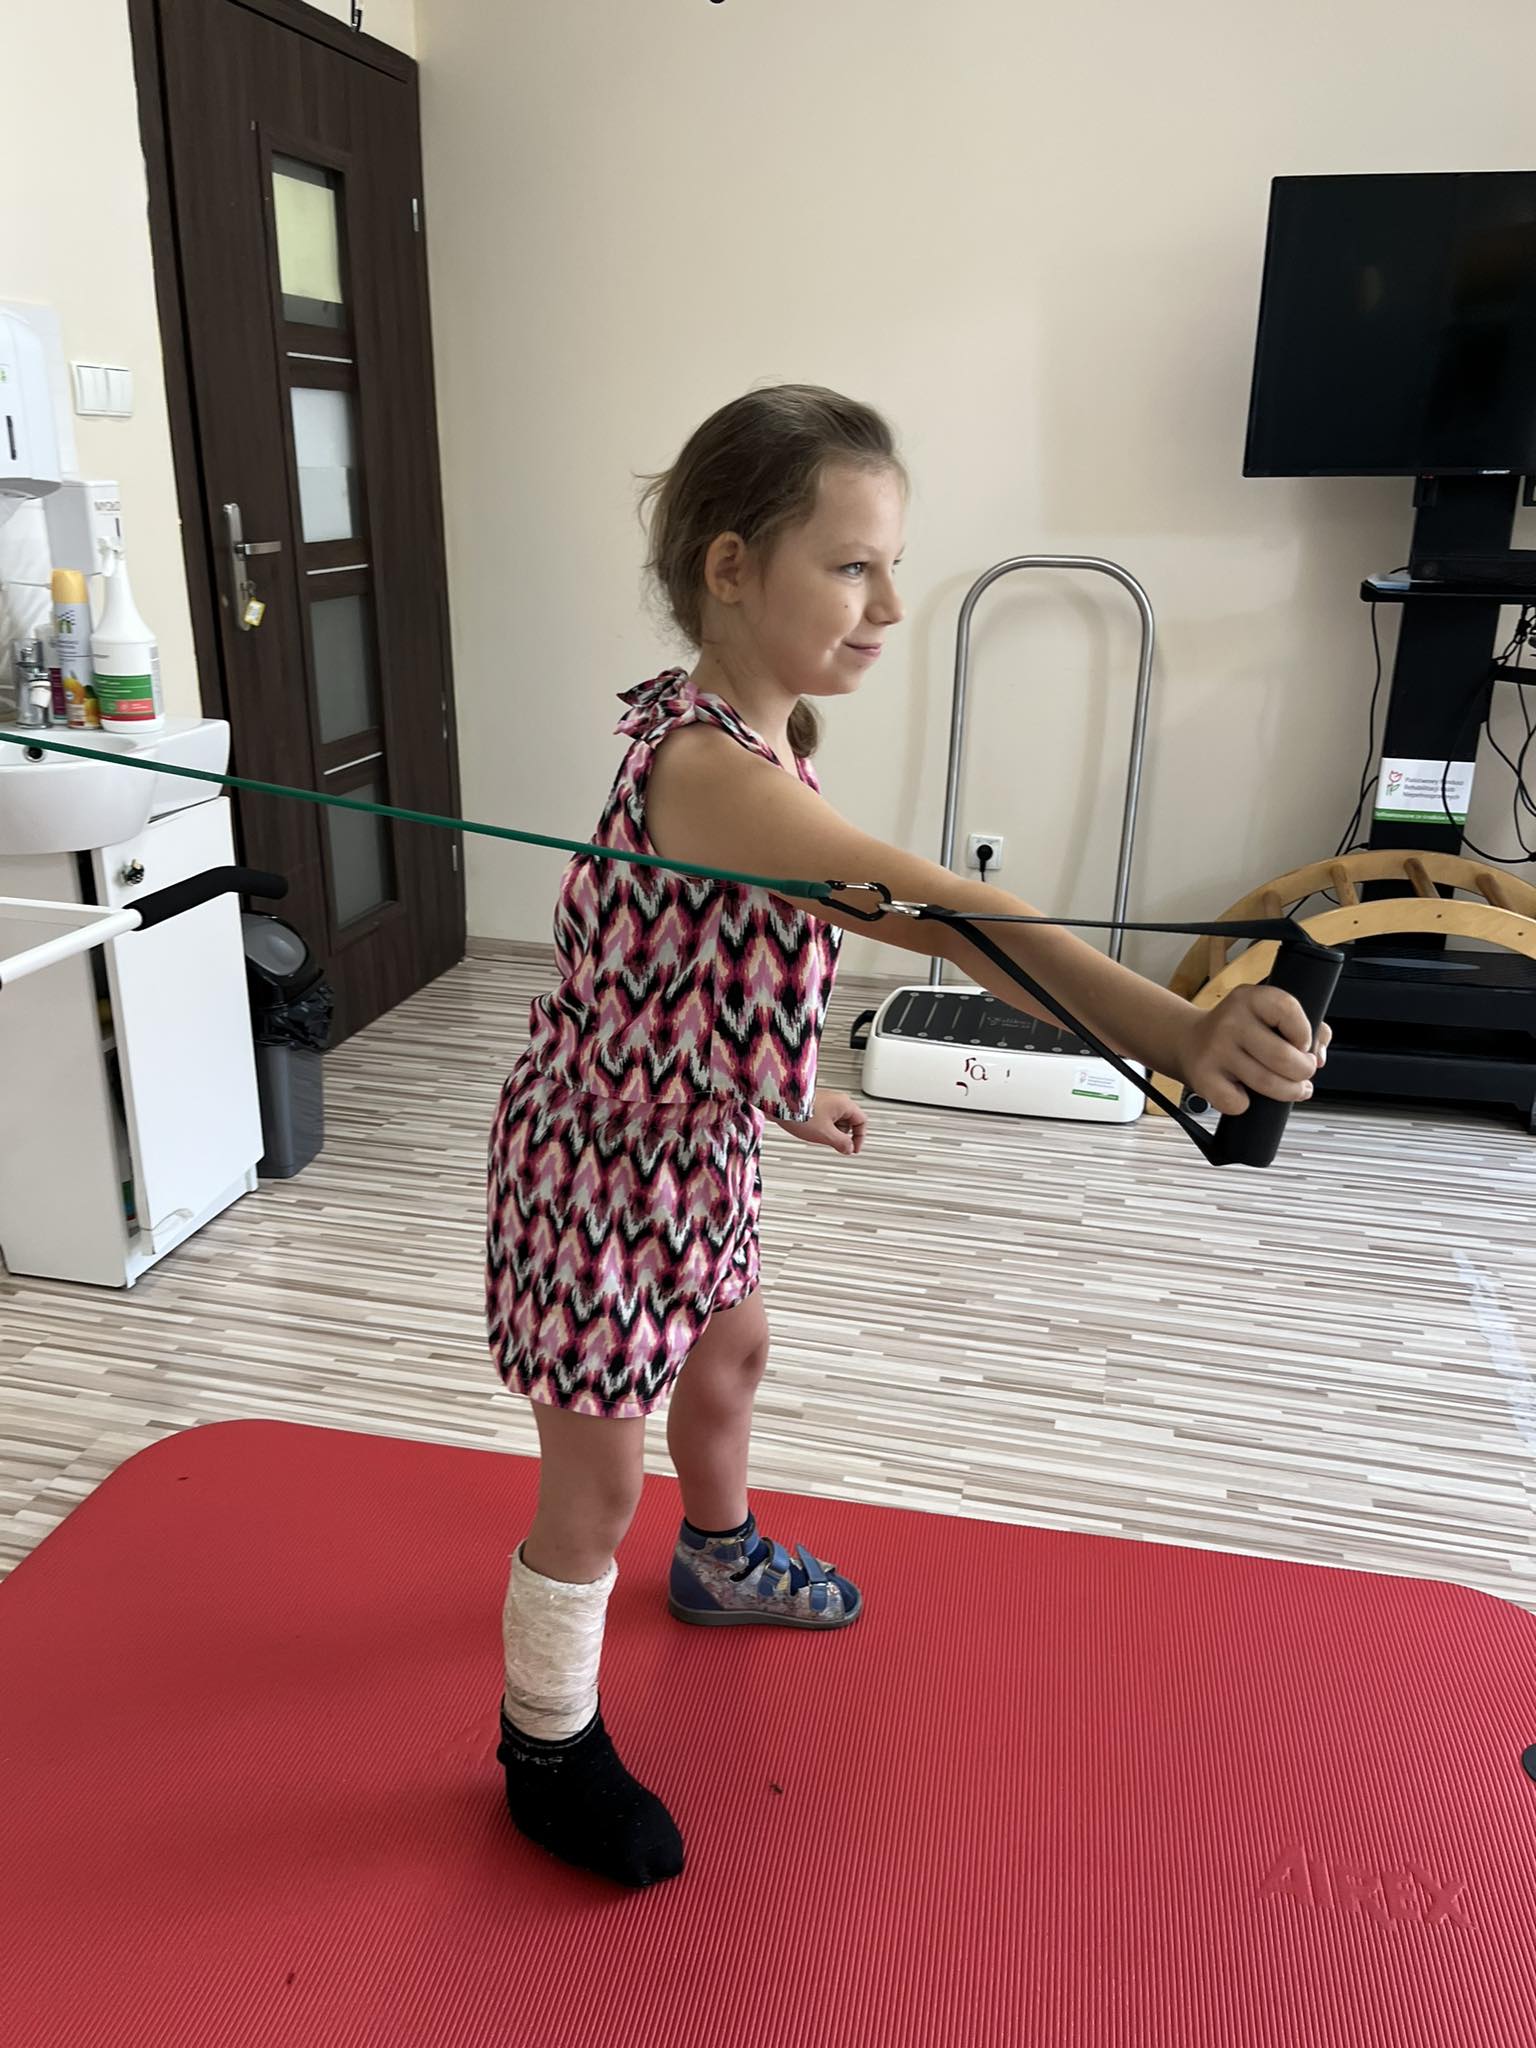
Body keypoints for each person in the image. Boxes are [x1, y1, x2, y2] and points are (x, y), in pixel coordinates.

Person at [486, 384, 1327, 1890]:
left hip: (698, 1142)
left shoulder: (761, 734)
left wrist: (782, 1083)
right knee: (593, 1487)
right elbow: (949, 913)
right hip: (600, 1168)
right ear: (732, 568)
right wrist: (1179, 1032)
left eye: (893, 566)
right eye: (852, 566)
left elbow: (698, 958)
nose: (889, 607)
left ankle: (717, 1557)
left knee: (732, 1355)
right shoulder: (704, 768)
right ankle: (543, 1739)